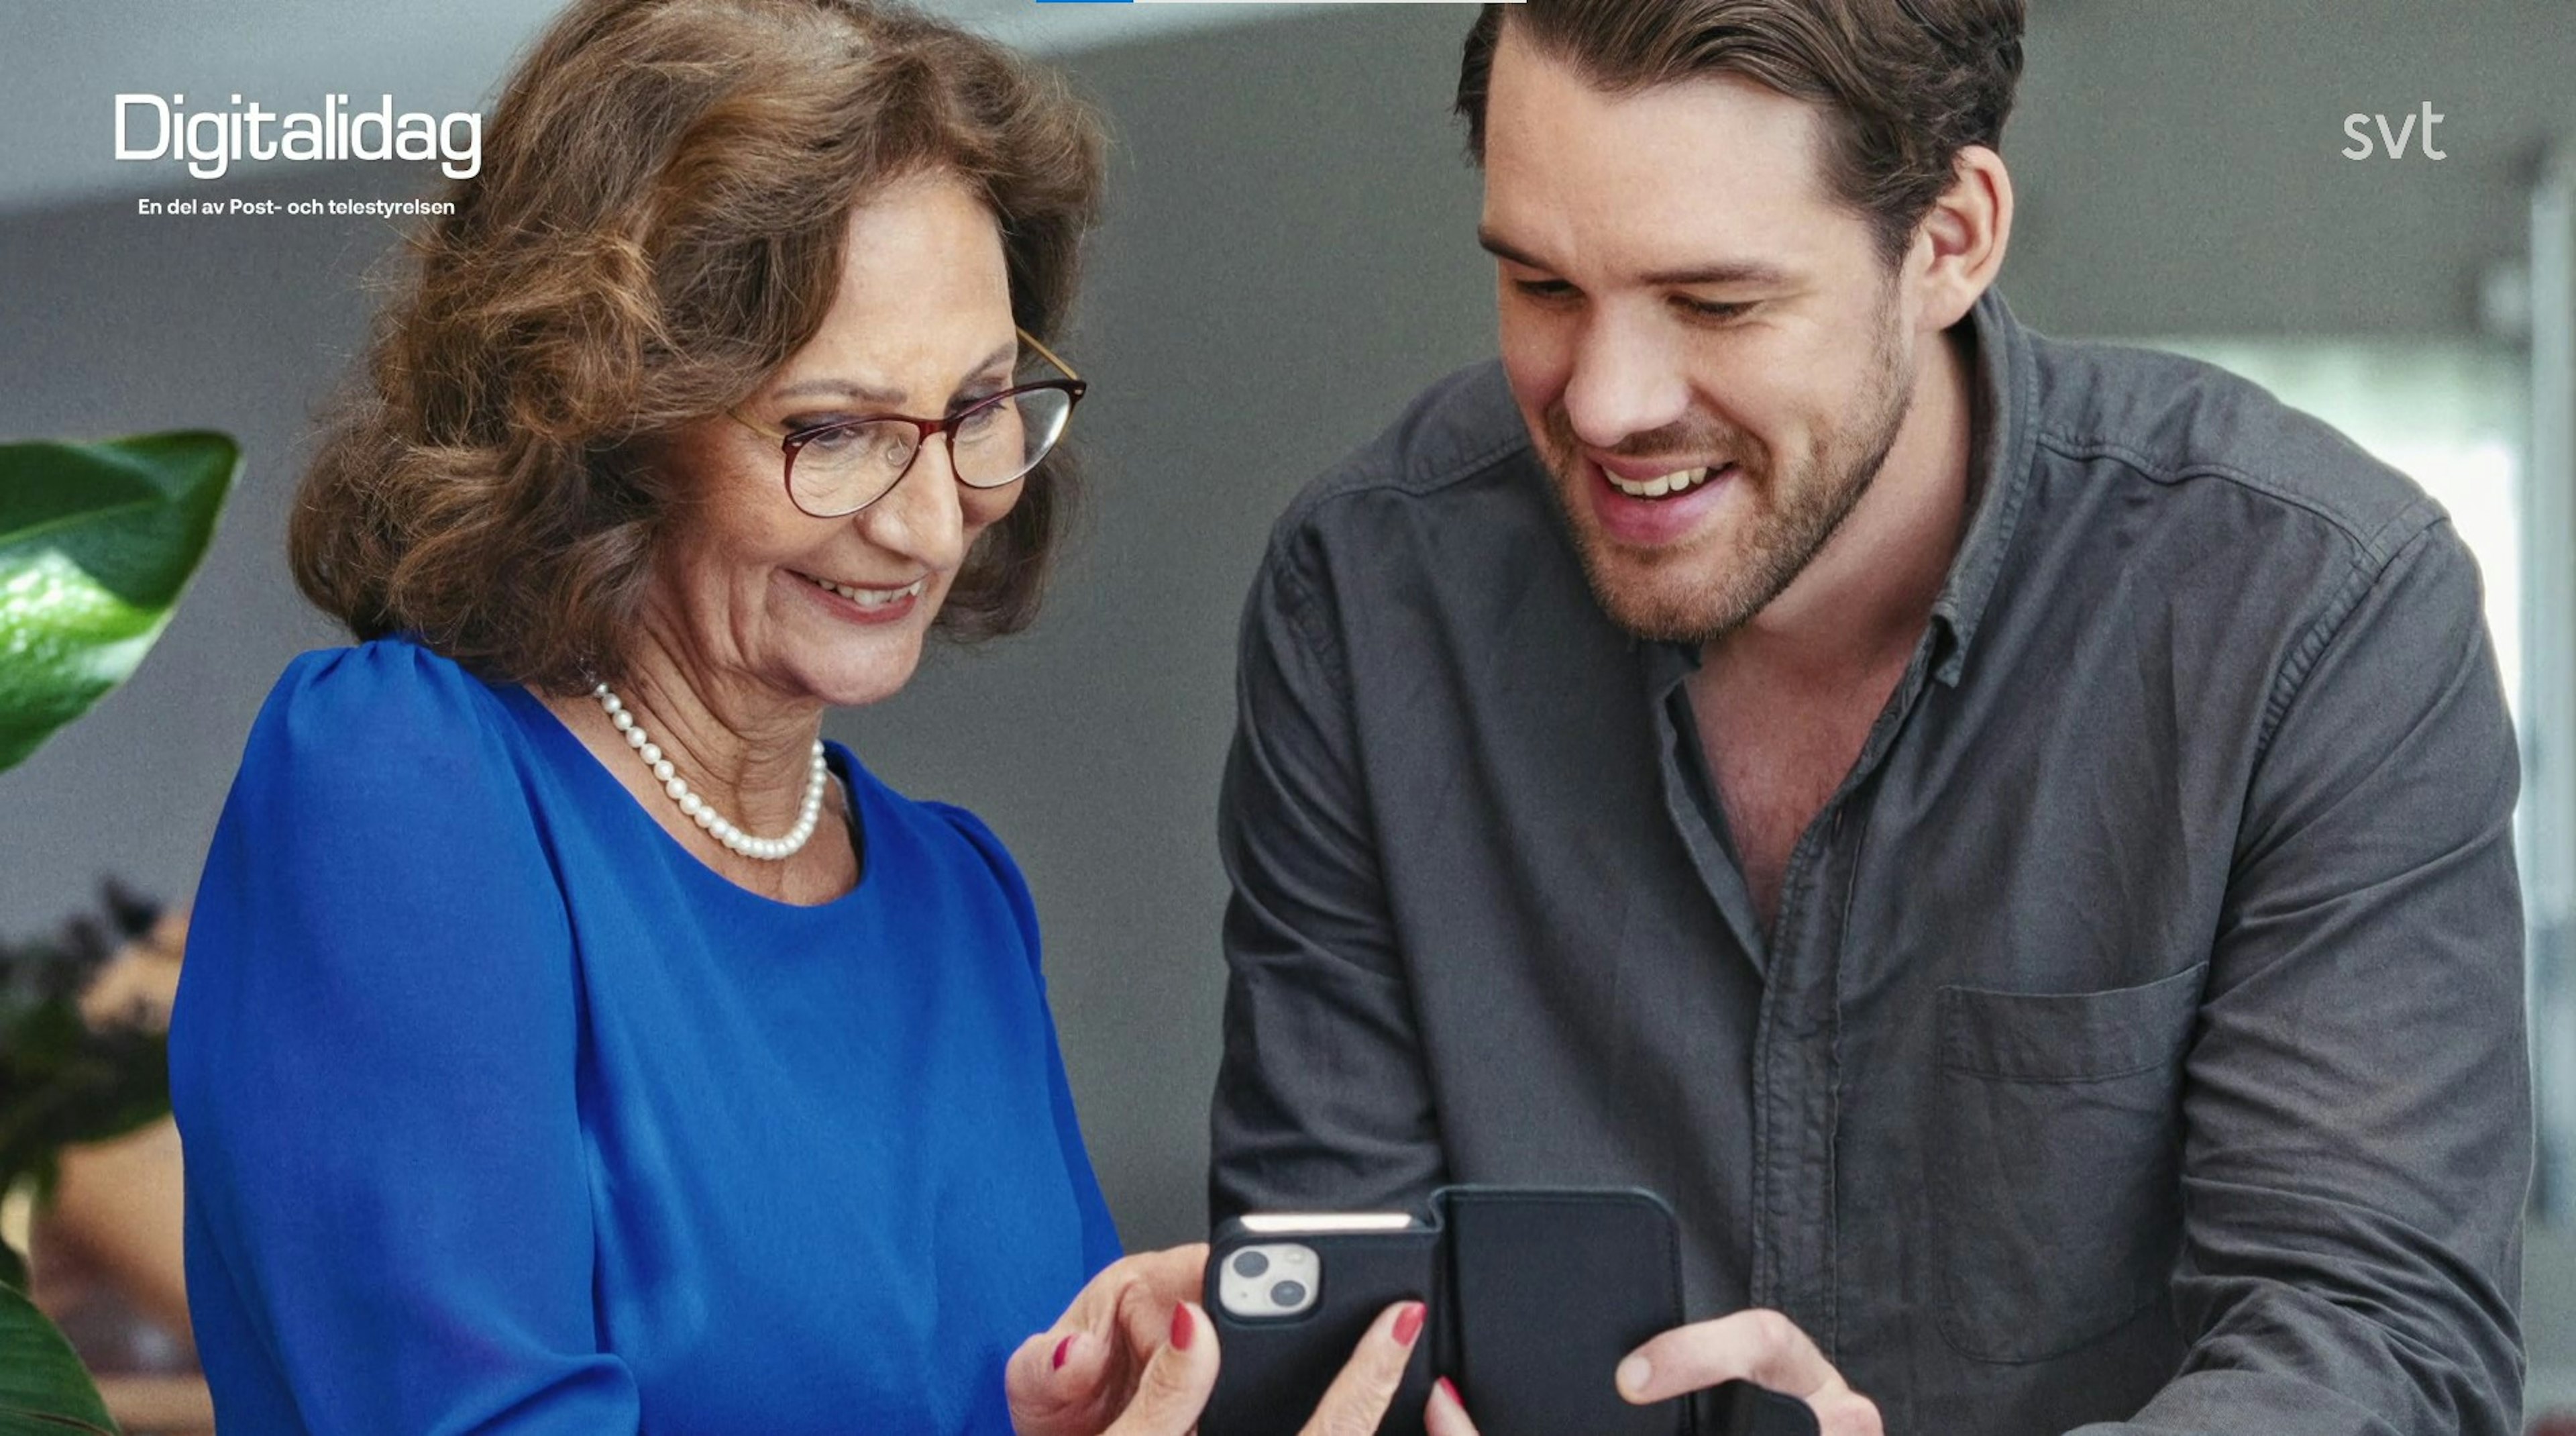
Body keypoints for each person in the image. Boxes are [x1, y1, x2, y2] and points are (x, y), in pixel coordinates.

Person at [1208, 2, 2530, 1434]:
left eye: (1716, 304)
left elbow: (2379, 1348)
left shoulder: (2314, 610)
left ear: (1951, 238)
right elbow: (1331, 1301)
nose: (1604, 400)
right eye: (1539, 284)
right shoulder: (1367, 594)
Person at [166, 2, 1425, 1431]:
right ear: (609, 412)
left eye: (981, 404)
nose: (935, 517)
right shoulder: (401, 778)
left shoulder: (955, 894)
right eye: (833, 429)